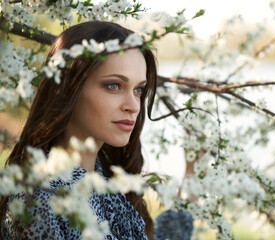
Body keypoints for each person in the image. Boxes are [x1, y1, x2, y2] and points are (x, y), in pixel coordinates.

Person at [0, 21, 157, 240]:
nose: (133, 105)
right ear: (68, 88)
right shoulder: (39, 198)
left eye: (139, 89)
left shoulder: (112, 189)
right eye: (114, 85)